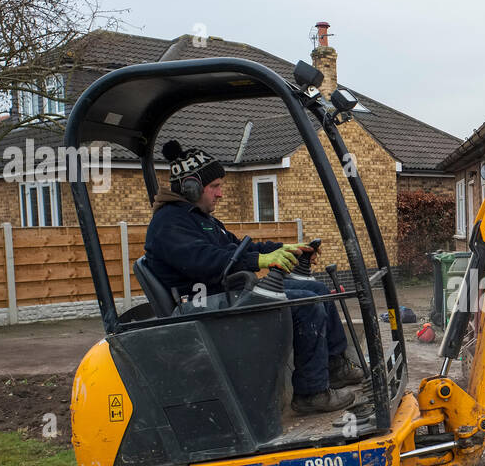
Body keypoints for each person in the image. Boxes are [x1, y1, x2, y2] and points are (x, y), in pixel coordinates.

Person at [144, 139, 364, 415]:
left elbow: (237, 249)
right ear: (191, 187)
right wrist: (261, 261)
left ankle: (334, 368)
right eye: (215, 187)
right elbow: (204, 262)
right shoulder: (169, 224)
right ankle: (311, 393)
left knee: (317, 289)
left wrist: (283, 249)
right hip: (204, 307)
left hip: (224, 296)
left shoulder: (202, 219)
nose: (221, 194)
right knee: (306, 304)